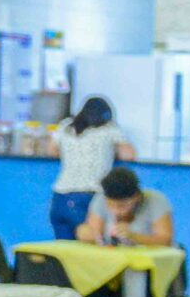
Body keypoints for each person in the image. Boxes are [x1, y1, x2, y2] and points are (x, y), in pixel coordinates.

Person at [49, 96, 133, 238]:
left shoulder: (65, 126)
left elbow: (51, 151)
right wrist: (111, 151)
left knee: (63, 252)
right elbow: (129, 154)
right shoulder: (109, 128)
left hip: (60, 197)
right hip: (90, 196)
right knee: (88, 251)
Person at [78, 165, 174, 247]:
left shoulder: (156, 201)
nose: (116, 211)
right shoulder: (100, 199)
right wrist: (89, 234)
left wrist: (135, 237)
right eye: (110, 205)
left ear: (136, 197)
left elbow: (166, 241)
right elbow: (91, 230)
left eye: (122, 206)